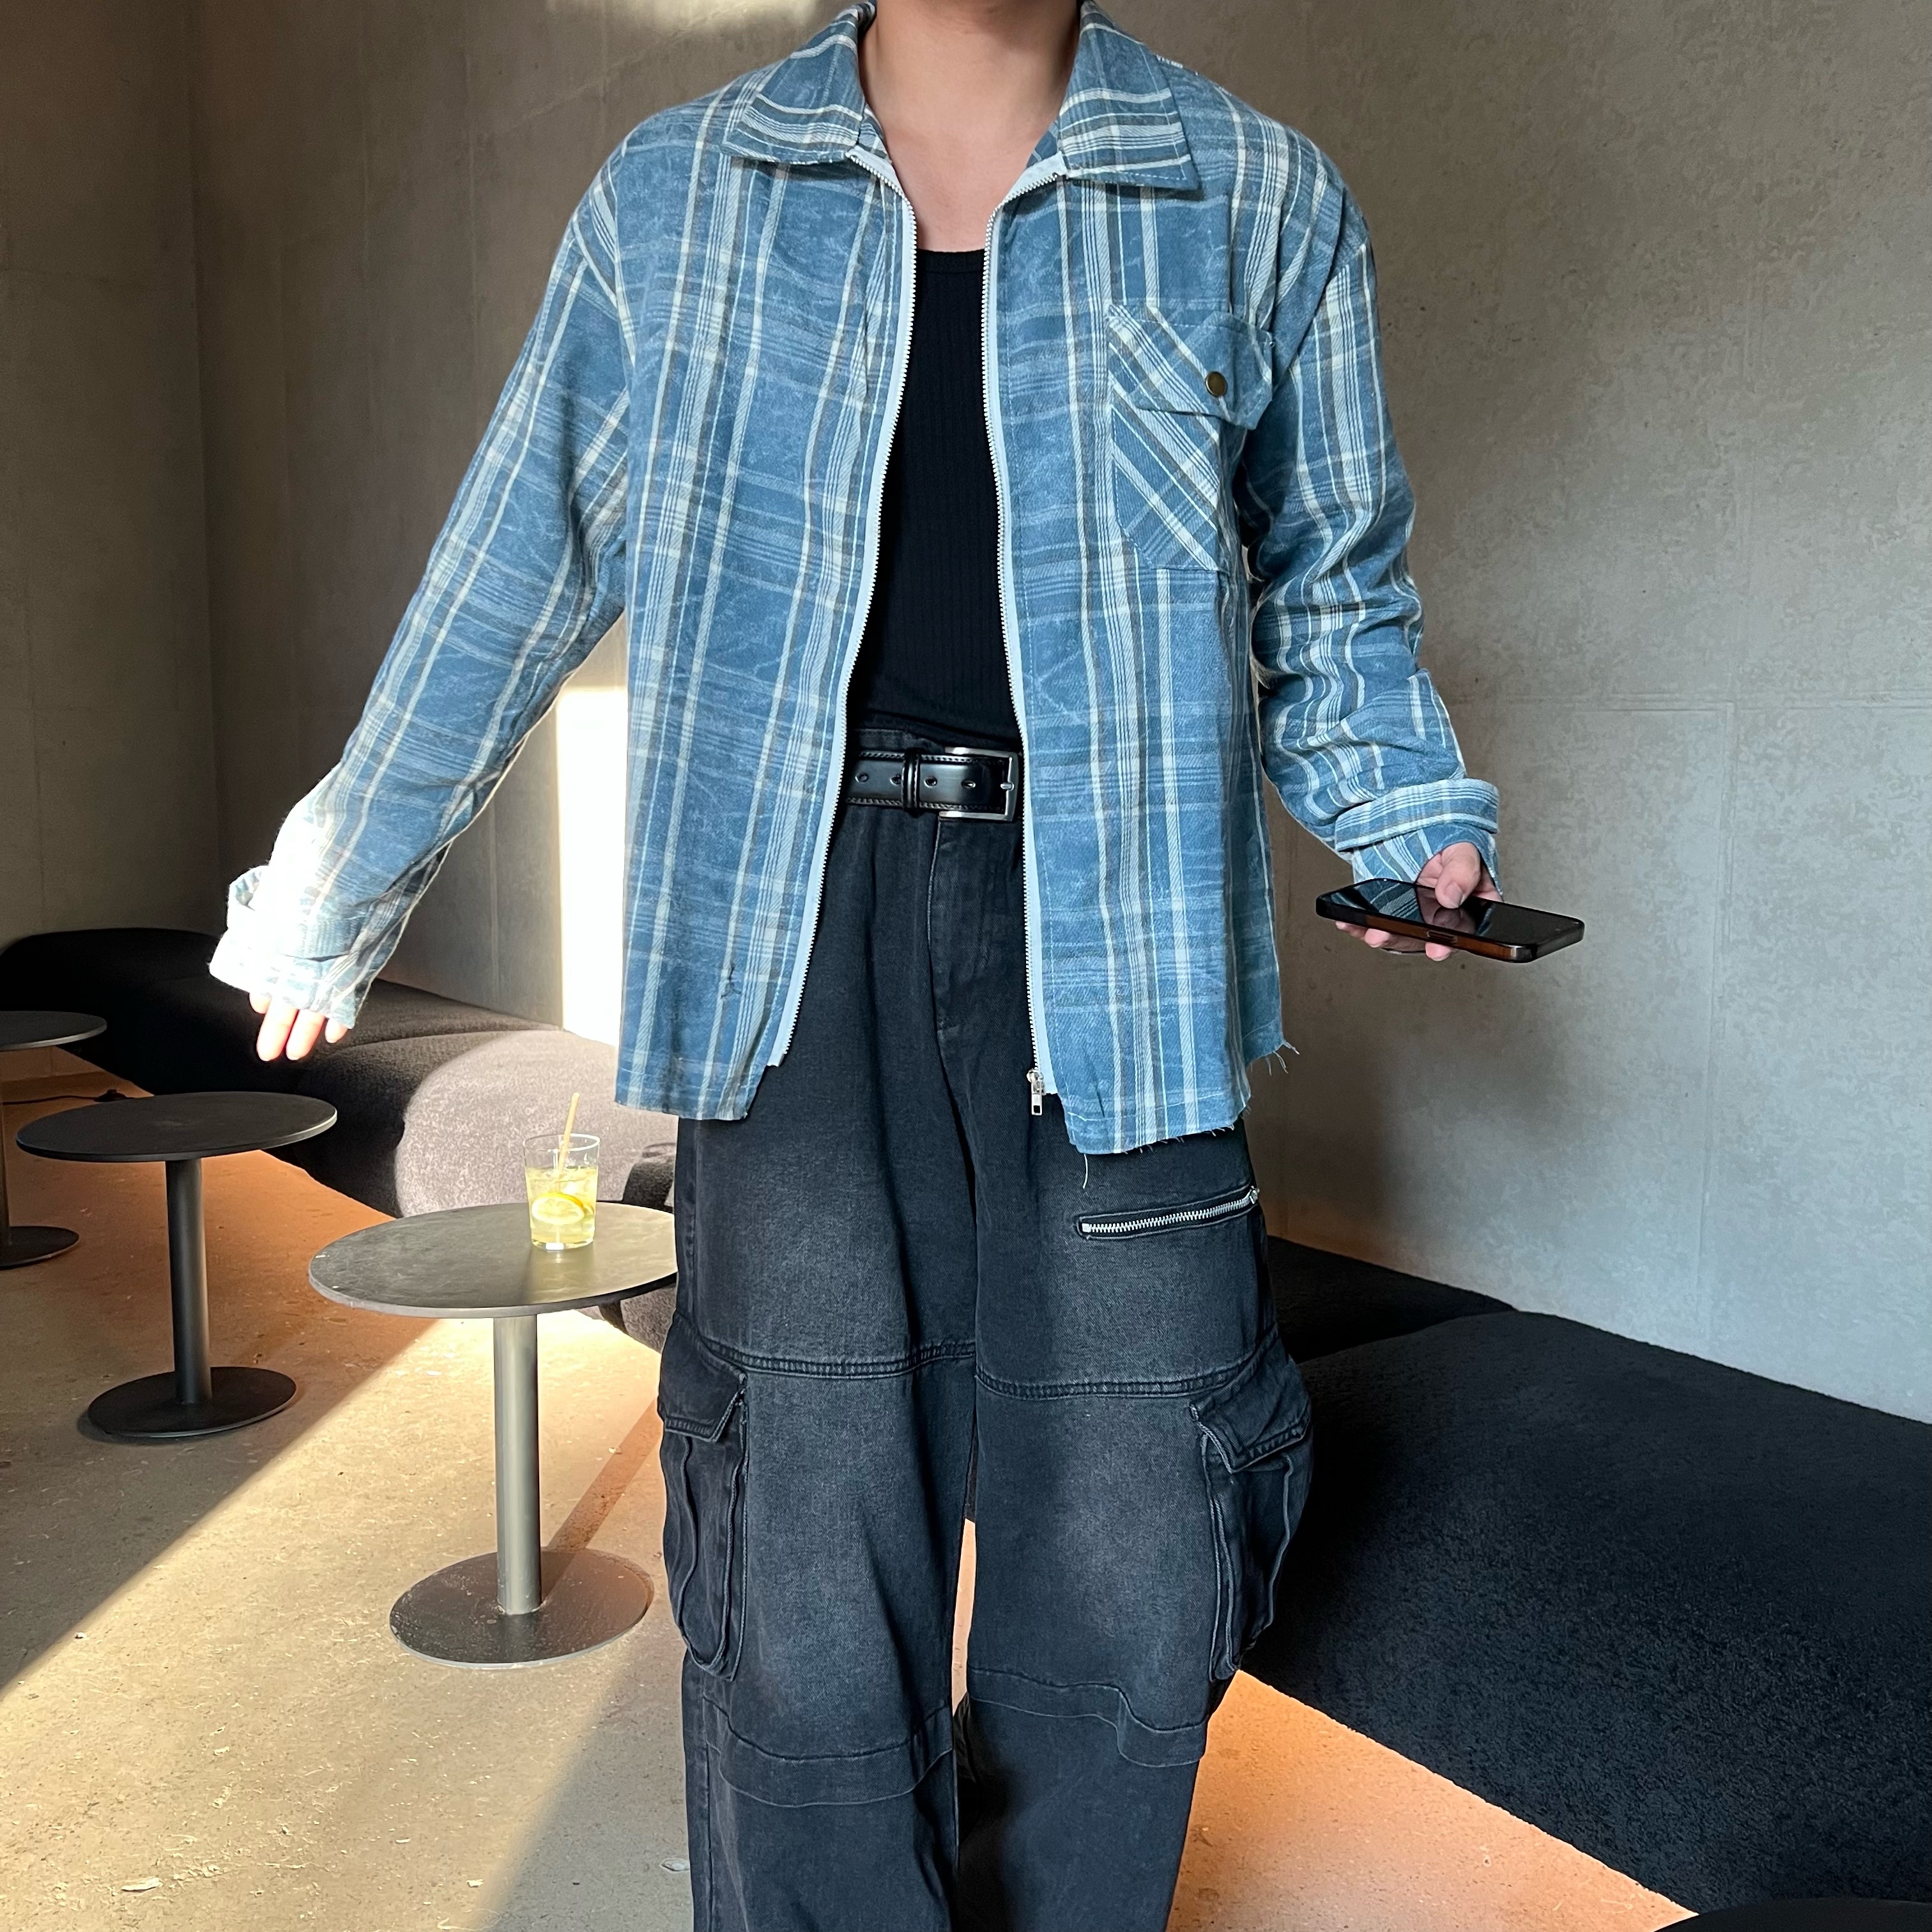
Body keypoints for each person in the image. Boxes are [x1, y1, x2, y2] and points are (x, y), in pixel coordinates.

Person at [214, 1, 1499, 1924]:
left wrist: (1404, 815)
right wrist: (339, 884)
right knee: (804, 1563)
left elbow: (1336, 580)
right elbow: (516, 557)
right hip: (787, 937)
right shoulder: (682, 192)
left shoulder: (1252, 191)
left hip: (1132, 944)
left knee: (1139, 1550)